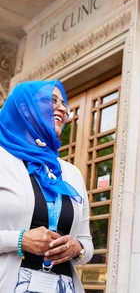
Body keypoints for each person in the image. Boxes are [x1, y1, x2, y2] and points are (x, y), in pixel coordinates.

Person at [0, 80, 93, 293]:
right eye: (52, 101)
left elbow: (86, 242)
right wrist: (20, 240)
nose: (62, 107)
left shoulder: (72, 173)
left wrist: (77, 249)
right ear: (25, 109)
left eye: (63, 103)